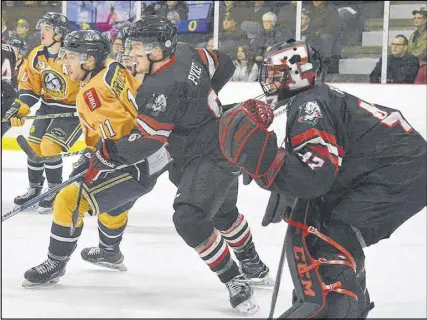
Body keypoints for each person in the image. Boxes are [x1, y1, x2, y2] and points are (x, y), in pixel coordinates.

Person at [218, 39, 426, 318]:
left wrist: (271, 168)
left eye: (277, 74)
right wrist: (283, 179)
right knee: (321, 223)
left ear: (297, 73)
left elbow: (315, 179)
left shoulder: (309, 107)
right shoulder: (310, 98)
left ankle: (334, 308)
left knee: (329, 237)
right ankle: (348, 305)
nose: (269, 80)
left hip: (400, 174)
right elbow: (317, 170)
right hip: (393, 168)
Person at [83, 15, 273, 315]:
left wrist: (108, 154)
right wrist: (198, 102)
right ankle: (253, 264)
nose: (131, 53)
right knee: (223, 212)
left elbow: (147, 142)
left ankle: (234, 279)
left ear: (158, 50)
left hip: (208, 156)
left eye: (137, 47)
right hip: (214, 141)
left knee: (190, 219)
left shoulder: (161, 85)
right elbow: (224, 63)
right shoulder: (187, 51)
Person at [23, 29, 171, 285]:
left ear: (90, 60)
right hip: (156, 153)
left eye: (69, 56)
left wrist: (97, 159)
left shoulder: (92, 95)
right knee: (113, 201)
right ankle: (109, 252)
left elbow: (120, 141)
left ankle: (55, 263)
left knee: (69, 198)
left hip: (133, 161)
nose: (63, 62)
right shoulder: (112, 67)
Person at [8, 12, 83, 214]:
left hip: (72, 112)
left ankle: (55, 190)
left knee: (49, 145)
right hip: (48, 107)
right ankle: (35, 188)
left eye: (47, 29)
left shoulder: (73, 56)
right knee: (33, 145)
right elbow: (30, 87)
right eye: (42, 28)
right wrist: (22, 107)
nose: (42, 32)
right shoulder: (36, 55)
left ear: (59, 34)